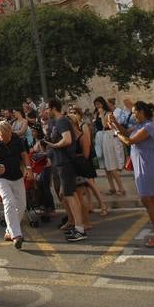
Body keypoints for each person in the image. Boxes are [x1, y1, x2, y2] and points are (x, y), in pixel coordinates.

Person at [111, 102, 154, 247]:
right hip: (141, 166)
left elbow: (129, 140)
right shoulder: (139, 126)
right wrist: (114, 124)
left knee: (149, 201)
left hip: (147, 167)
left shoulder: (148, 126)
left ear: (142, 112)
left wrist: (116, 133)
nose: (132, 115)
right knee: (149, 201)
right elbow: (126, 132)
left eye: (134, 112)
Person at [0, 120, 32, 248]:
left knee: (21, 205)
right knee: (9, 201)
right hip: (0, 177)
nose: (8, 139)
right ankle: (16, 235)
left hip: (17, 175)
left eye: (9, 136)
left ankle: (9, 231)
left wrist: (29, 168)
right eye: (5, 137)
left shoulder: (15, 137)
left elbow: (23, 154)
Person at [44, 99, 87, 241]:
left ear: (53, 108)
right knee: (70, 194)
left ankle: (80, 229)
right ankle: (78, 227)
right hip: (61, 162)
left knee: (70, 195)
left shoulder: (62, 121)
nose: (45, 111)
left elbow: (67, 140)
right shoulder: (56, 122)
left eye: (47, 109)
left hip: (65, 162)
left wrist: (54, 145)